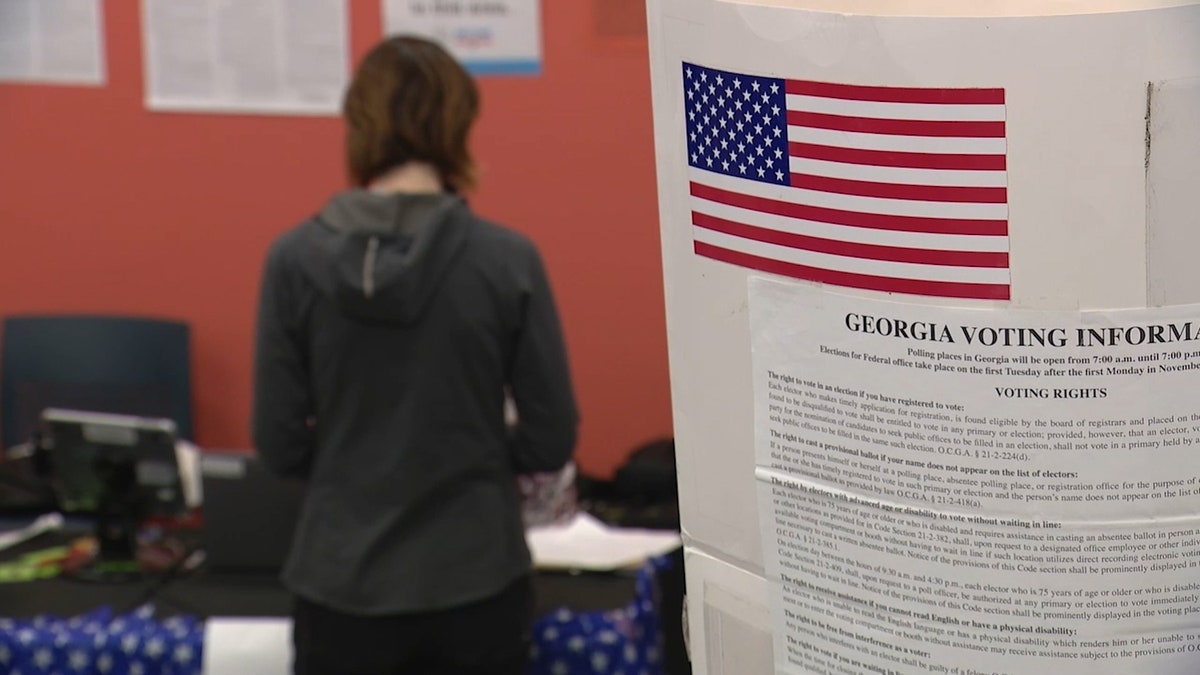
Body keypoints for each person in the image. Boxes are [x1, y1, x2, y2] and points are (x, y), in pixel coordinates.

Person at [251, 35, 579, 675]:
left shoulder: (292, 261)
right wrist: (475, 455)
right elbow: (550, 437)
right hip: (476, 583)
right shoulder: (506, 260)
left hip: (341, 586)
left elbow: (278, 442)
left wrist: (360, 462)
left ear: (359, 125)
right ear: (460, 124)